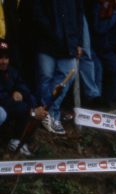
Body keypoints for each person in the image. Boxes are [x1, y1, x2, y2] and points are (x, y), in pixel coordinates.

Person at [31, 0, 84, 135]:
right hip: (46, 41)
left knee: (68, 75)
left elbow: (79, 16)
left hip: (68, 42)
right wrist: (51, 32)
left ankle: (49, 111)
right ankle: (49, 116)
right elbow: (37, 13)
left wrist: (79, 42)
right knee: (45, 77)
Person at [0, 40, 47, 156]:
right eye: (0, 58)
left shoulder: (12, 71)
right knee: (7, 112)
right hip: (4, 107)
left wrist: (19, 91)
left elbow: (24, 87)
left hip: (11, 106)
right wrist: (31, 111)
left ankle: (18, 140)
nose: (4, 61)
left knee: (31, 101)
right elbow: (3, 99)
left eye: (6, 58)